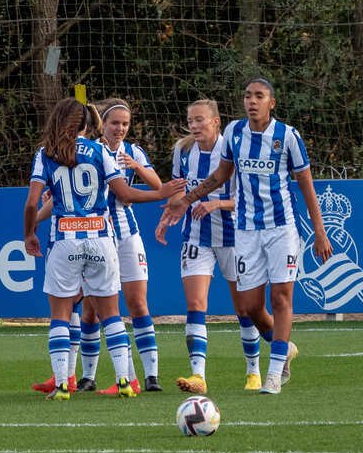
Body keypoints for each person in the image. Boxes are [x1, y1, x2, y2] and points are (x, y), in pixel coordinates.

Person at [162, 78, 333, 394]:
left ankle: (273, 372)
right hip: (245, 231)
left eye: (259, 96)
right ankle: (284, 348)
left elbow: (307, 186)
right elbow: (220, 176)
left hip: (282, 228)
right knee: (250, 307)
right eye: (247, 96)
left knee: (281, 297)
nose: (251, 101)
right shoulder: (235, 134)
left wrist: (319, 232)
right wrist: (186, 200)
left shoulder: (288, 137)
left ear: (272, 103)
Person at [24, 98, 183, 401]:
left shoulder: (46, 154)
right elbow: (125, 193)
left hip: (64, 240)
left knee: (60, 313)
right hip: (101, 238)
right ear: (87, 125)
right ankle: (125, 380)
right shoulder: (99, 151)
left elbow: (33, 202)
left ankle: (61, 386)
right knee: (110, 313)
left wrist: (29, 233)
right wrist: (159, 193)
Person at [154, 99, 262, 393]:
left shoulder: (234, 150)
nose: (194, 126)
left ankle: (253, 372)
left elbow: (249, 199)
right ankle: (198, 376)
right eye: (190, 121)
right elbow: (180, 192)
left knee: (244, 308)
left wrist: (217, 203)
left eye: (200, 120)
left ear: (216, 122)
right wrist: (167, 216)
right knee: (195, 305)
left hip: (234, 238)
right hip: (196, 237)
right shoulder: (183, 150)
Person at [90, 97, 165, 393]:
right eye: (114, 123)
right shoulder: (90, 150)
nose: (120, 128)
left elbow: (157, 184)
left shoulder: (133, 151)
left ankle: (151, 376)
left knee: (137, 303)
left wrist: (137, 166)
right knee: (95, 310)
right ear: (103, 125)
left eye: (125, 124)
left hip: (127, 233)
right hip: (96, 233)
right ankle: (99, 376)